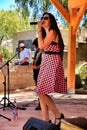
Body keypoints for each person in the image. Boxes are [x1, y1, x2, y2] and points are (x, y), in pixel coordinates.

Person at [36, 12, 67, 128]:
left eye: (46, 18)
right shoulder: (47, 33)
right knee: (40, 93)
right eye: (42, 18)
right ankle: (46, 121)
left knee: (41, 91)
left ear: (51, 21)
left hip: (52, 61)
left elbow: (41, 46)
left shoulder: (53, 32)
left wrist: (39, 30)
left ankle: (58, 114)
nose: (43, 20)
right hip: (46, 61)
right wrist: (40, 31)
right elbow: (42, 47)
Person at [30, 38, 42, 110]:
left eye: (35, 46)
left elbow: (44, 63)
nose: (35, 47)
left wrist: (36, 67)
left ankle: (41, 104)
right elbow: (35, 59)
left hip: (40, 73)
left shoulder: (43, 52)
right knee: (38, 89)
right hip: (36, 73)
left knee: (40, 90)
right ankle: (40, 103)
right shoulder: (37, 51)